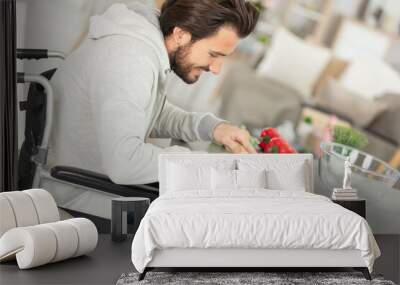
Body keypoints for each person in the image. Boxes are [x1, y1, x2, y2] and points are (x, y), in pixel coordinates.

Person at [49, 0, 260, 185]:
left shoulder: (142, 47)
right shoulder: (129, 60)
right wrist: (204, 163)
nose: (216, 69)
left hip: (94, 183)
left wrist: (213, 128)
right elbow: (126, 163)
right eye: (213, 54)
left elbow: (148, 112)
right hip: (81, 196)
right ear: (181, 34)